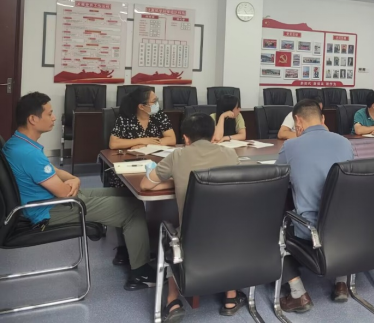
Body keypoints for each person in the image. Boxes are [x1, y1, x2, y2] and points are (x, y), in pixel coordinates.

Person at [3, 92, 155, 290]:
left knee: (128, 193)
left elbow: (54, 171)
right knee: (132, 209)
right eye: (49, 114)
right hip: (49, 210)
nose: (54, 118)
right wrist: (71, 183)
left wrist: (73, 179)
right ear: (33, 119)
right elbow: (63, 192)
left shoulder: (17, 142)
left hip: (50, 200)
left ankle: (130, 250)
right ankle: (140, 274)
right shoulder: (27, 153)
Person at [141, 113, 243, 322]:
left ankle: (172, 301)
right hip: (230, 235)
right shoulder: (230, 154)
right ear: (213, 135)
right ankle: (230, 297)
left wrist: (179, 179)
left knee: (171, 237)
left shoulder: (177, 156)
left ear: (186, 138)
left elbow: (145, 184)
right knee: (225, 230)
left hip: (191, 239)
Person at [276, 100, 354, 312]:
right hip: (345, 226)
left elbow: (275, 179)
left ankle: (298, 293)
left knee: (271, 226)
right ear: (323, 119)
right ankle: (341, 283)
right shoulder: (344, 142)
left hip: (310, 229)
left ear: (297, 121)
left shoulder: (291, 145)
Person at [110, 87, 176, 150]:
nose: (157, 104)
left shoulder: (158, 114)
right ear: (141, 107)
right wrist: (140, 141)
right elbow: (113, 144)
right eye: (154, 101)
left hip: (154, 155)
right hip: (130, 156)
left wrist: (146, 146)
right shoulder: (125, 117)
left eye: (157, 100)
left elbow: (171, 139)